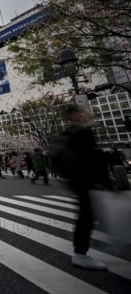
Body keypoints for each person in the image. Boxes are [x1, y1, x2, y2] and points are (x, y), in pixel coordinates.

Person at [61, 107, 108, 270]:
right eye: (79, 113)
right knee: (87, 215)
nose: (83, 115)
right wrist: (105, 180)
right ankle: (80, 254)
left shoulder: (67, 134)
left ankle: (82, 252)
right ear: (71, 116)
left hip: (76, 179)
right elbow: (92, 158)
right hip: (85, 179)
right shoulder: (81, 133)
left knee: (89, 214)